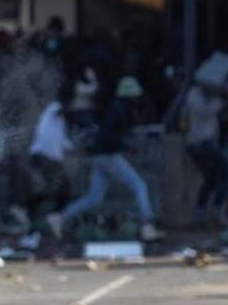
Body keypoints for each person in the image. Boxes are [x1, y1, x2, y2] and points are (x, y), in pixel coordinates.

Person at [46, 76, 160, 241]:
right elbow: (109, 137)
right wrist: (126, 147)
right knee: (139, 185)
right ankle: (147, 225)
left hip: (101, 156)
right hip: (108, 156)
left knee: (94, 197)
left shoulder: (117, 109)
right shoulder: (119, 110)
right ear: (130, 96)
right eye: (135, 96)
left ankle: (59, 218)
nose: (137, 99)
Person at [185, 81, 228, 226]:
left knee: (211, 178)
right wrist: (220, 99)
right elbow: (204, 112)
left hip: (207, 142)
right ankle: (214, 210)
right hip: (200, 143)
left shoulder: (212, 96)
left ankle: (201, 213)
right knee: (225, 171)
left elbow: (224, 115)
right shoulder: (195, 94)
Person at [26, 97, 73, 222]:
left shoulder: (61, 122)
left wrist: (75, 146)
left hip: (50, 159)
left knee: (57, 187)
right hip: (43, 156)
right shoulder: (53, 108)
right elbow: (61, 110)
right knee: (60, 185)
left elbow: (63, 142)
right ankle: (36, 211)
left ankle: (34, 210)